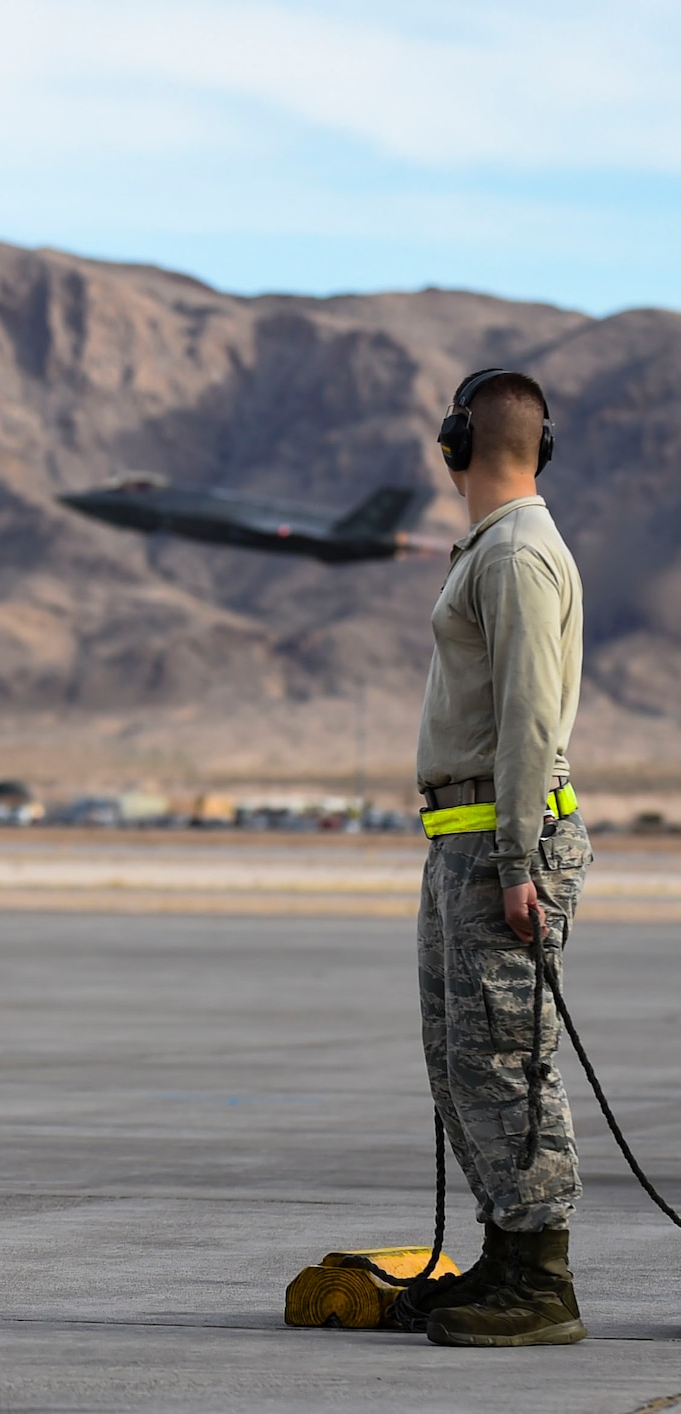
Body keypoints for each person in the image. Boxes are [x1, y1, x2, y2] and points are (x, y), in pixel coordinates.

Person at [396, 369, 591, 1348]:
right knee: (462, 1059)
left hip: (499, 841)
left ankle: (540, 1287)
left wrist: (516, 859)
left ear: (454, 441)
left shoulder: (514, 555)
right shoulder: (493, 548)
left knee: (506, 1062)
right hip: (464, 840)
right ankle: (503, 1255)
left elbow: (525, 718)